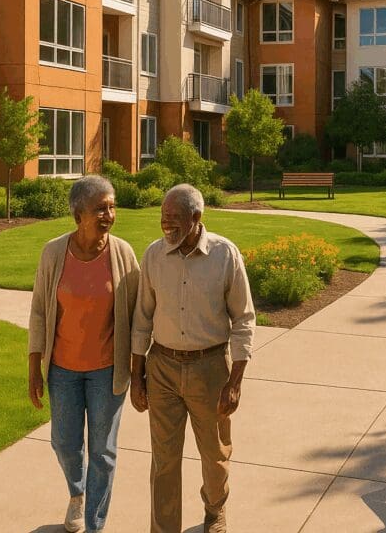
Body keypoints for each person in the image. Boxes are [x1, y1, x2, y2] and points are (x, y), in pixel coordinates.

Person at [130, 183, 256, 533]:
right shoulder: (154, 255)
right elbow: (142, 318)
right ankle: (164, 528)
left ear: (196, 218)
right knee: (164, 460)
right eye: (163, 217)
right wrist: (137, 375)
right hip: (163, 369)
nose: (165, 224)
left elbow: (244, 319)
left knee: (214, 456)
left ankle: (214, 510)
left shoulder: (225, 255)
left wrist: (235, 382)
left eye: (174, 218)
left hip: (210, 368)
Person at [27, 175, 141, 533]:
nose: (109, 214)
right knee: (64, 442)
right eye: (100, 208)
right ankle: (76, 493)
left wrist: (139, 371)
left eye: (112, 206)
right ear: (79, 215)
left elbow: (139, 316)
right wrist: (34, 364)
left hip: (108, 370)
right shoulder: (53, 252)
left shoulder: (123, 254)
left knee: (103, 452)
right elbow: (39, 311)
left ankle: (94, 522)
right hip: (63, 368)